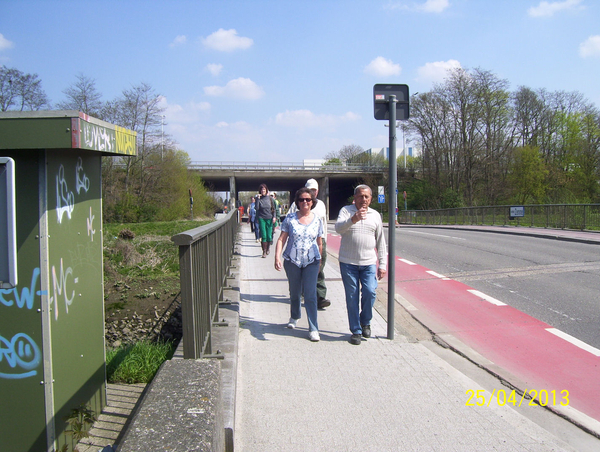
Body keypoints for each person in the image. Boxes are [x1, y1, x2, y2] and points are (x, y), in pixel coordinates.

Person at [335, 184, 387, 345]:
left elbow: (381, 241)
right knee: (352, 297)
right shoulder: (346, 211)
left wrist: (382, 264)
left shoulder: (375, 215)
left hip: (369, 263)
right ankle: (356, 330)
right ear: (354, 198)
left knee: (370, 292)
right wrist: (353, 219)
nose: (363, 199)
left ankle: (366, 321)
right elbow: (338, 228)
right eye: (360, 196)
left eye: (366, 197)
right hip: (348, 262)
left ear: (371, 199)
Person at [275, 187, 323, 342]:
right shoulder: (289, 219)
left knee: (310, 295)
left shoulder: (317, 220)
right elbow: (282, 239)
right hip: (292, 261)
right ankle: (295, 316)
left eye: (308, 200)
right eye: (301, 199)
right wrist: (277, 257)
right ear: (297, 202)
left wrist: (320, 260)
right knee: (295, 292)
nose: (305, 202)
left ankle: (313, 328)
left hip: (311, 261)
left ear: (312, 202)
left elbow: (319, 242)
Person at [287, 178, 330, 309]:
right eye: (310, 190)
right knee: (302, 269)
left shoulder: (321, 205)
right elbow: (288, 221)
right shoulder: (297, 204)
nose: (313, 192)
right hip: (301, 243)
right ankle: (301, 292)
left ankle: (320, 296)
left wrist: (324, 240)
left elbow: (324, 224)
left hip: (318, 241)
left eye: (315, 190)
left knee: (318, 268)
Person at [256, 183, 277, 258]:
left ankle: (268, 248)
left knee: (269, 235)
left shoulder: (270, 199)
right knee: (263, 235)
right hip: (262, 218)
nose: (263, 191)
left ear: (266, 190)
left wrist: (274, 217)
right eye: (261, 189)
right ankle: (264, 251)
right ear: (260, 191)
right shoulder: (259, 199)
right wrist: (257, 199)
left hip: (270, 218)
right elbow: (257, 208)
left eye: (264, 189)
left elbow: (274, 209)